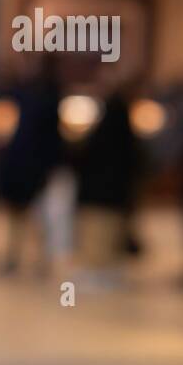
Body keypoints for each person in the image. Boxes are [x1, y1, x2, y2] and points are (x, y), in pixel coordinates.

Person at [0, 55, 64, 273]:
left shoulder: (45, 96)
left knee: (36, 215)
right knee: (22, 214)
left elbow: (51, 137)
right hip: (24, 162)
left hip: (33, 163)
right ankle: (19, 256)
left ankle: (38, 258)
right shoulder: (27, 93)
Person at [74, 83, 141, 287]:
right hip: (110, 193)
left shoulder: (111, 126)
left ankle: (100, 270)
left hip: (103, 193)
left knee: (101, 232)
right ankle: (101, 269)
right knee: (104, 232)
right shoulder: (121, 130)